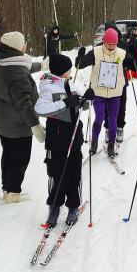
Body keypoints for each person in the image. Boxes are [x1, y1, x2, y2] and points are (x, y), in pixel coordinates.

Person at [35, 55, 90, 226]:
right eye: (69, 68)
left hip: (74, 137)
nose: (71, 71)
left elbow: (82, 106)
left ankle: (73, 206)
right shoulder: (48, 88)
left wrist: (86, 99)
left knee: (74, 174)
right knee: (56, 173)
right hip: (57, 138)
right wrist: (65, 103)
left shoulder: (70, 84)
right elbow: (40, 109)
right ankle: (54, 205)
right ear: (61, 71)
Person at [0, 31, 45, 203]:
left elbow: (24, 67)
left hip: (3, 122)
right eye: (23, 44)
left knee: (8, 155)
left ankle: (7, 189)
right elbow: (24, 105)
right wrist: (35, 126)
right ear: (16, 48)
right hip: (18, 126)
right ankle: (13, 194)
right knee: (20, 159)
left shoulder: (4, 63)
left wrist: (42, 66)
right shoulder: (18, 74)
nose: (26, 46)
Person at [75, 28, 134, 158]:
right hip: (99, 91)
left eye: (114, 44)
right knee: (100, 117)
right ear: (104, 42)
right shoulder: (96, 52)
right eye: (109, 44)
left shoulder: (121, 53)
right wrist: (80, 57)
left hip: (115, 92)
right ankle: (94, 142)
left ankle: (111, 144)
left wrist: (133, 56)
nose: (111, 47)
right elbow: (80, 65)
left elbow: (135, 67)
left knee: (113, 119)